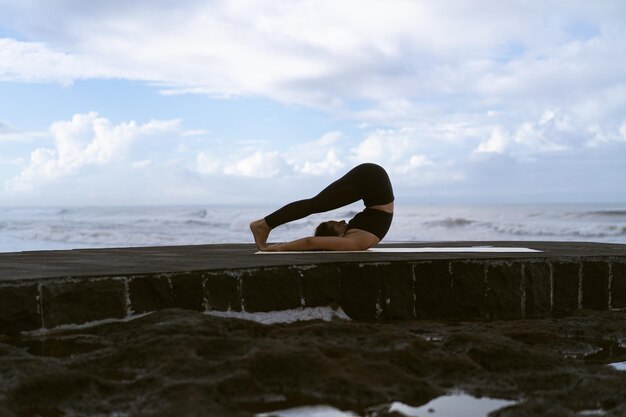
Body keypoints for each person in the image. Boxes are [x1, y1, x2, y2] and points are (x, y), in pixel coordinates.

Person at [250, 163, 394, 251]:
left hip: (373, 181)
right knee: (314, 204)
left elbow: (311, 242)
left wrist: (279, 247)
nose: (343, 222)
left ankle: (264, 224)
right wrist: (279, 248)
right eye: (337, 225)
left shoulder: (356, 238)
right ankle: (263, 225)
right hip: (372, 181)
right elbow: (310, 242)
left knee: (315, 204)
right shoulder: (355, 242)